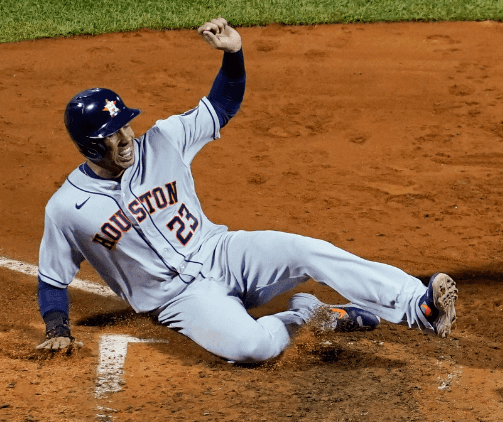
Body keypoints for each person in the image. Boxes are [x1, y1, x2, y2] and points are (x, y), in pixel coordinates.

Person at [36, 18, 457, 363]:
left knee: (305, 250)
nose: (126, 137)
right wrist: (57, 330)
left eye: (126, 124)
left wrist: (233, 54)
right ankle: (309, 315)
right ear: (91, 145)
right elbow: (52, 278)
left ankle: (417, 306)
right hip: (182, 300)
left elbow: (222, 104)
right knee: (252, 348)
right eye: (113, 133)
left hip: (223, 252)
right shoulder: (67, 209)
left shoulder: (164, 139)